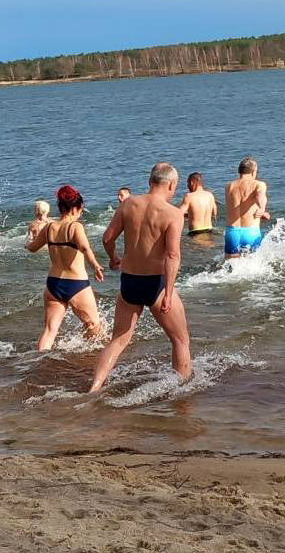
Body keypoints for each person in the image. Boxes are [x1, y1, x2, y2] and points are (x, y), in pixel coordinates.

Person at [89, 163, 191, 392]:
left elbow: (107, 238)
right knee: (180, 340)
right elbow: (173, 255)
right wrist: (168, 293)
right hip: (156, 283)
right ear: (172, 185)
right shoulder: (173, 214)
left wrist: (113, 258)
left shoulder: (128, 205)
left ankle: (94, 389)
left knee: (118, 339)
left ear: (150, 181)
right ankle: (182, 392)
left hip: (130, 283)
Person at [26, 185, 106, 351]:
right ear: (75, 208)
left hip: (53, 284)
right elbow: (85, 248)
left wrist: (27, 243)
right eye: (81, 209)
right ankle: (86, 358)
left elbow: (33, 248)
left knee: (49, 331)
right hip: (76, 284)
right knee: (95, 326)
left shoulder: (48, 228)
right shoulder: (75, 227)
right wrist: (96, 265)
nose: (81, 212)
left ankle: (39, 361)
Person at [223, 157, 270, 256]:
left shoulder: (229, 186)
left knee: (230, 266)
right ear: (254, 171)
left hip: (232, 232)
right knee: (253, 265)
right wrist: (262, 209)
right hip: (250, 231)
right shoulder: (258, 184)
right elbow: (260, 195)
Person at [180, 172, 218, 239]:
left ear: (191, 183)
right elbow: (214, 213)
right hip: (209, 230)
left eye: (188, 183)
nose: (188, 186)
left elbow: (179, 214)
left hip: (195, 232)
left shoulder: (189, 196)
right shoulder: (210, 195)